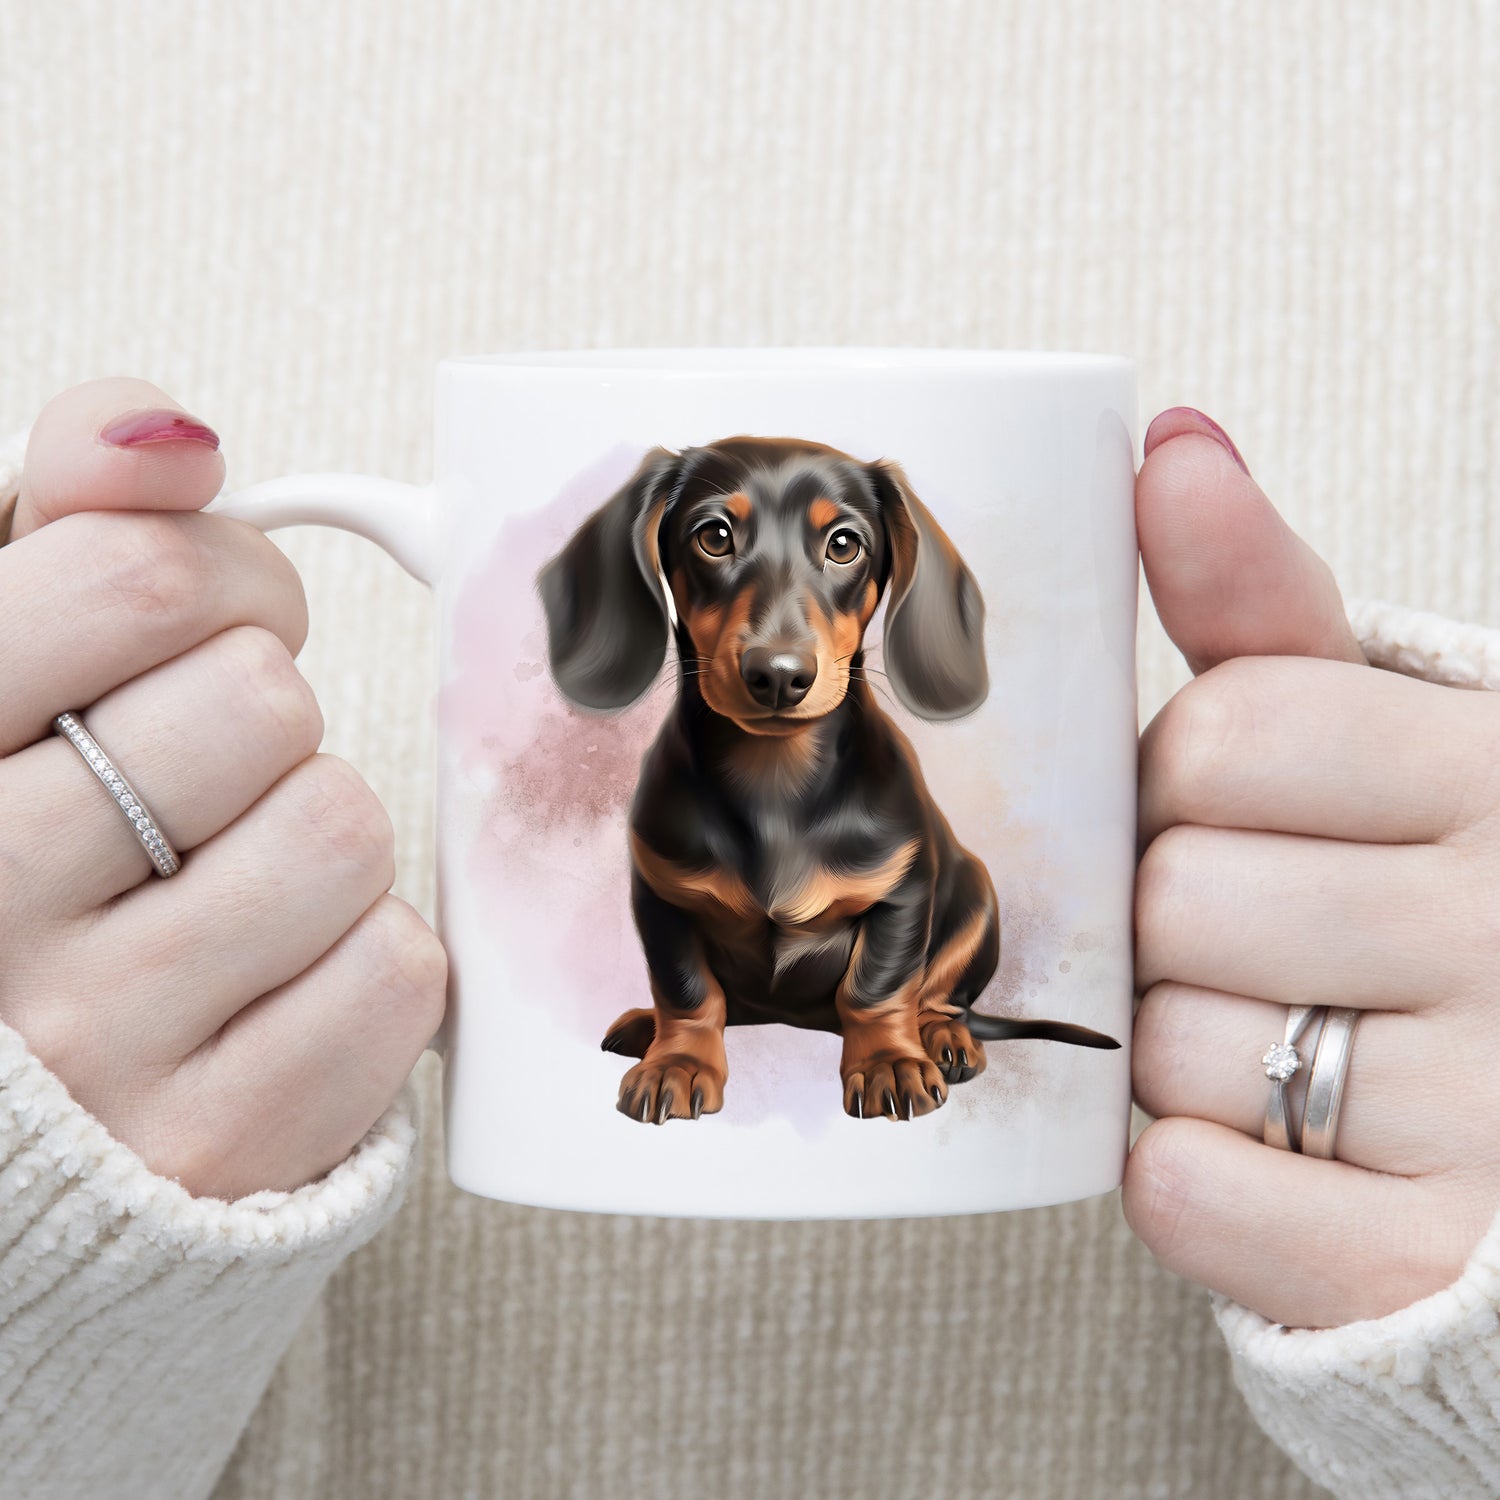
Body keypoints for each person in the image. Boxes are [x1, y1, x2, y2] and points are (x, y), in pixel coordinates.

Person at [1, 379, 1499, 1500]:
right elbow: (671, 905)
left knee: (944, 890)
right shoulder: (666, 794)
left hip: (901, 960)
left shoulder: (889, 795)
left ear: (891, 589)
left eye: (837, 554)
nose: (780, 632)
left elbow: (922, 894)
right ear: (651, 574)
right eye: (721, 547)